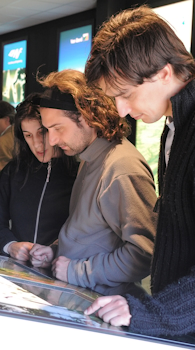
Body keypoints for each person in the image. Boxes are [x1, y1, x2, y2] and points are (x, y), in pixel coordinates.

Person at [84, 5, 195, 347]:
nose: (122, 111)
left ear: (163, 72)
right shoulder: (177, 120)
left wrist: (155, 314)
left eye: (125, 95)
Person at [30, 69, 157, 290]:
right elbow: (90, 234)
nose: (51, 140)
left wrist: (77, 271)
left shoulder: (122, 167)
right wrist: (54, 251)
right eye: (47, 130)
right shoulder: (88, 159)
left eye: (58, 128)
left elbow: (145, 254)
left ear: (88, 117)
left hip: (99, 308)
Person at [0, 93, 78, 261]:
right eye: (28, 135)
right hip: (19, 271)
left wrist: (54, 252)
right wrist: (10, 245)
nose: (37, 143)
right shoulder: (14, 170)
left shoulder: (79, 172)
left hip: (65, 272)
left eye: (42, 133)